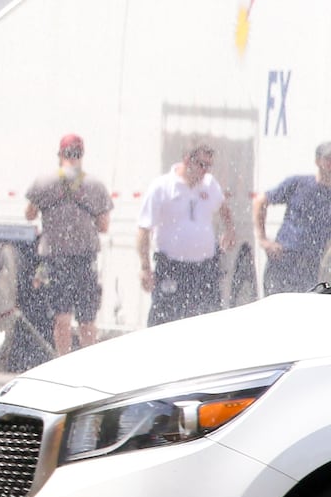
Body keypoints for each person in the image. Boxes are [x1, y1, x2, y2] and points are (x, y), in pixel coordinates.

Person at [24, 134, 112, 356]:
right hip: (84, 258)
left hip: (56, 257)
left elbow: (29, 214)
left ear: (60, 154)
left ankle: (62, 359)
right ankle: (88, 362)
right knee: (87, 319)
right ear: (81, 154)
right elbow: (103, 226)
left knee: (61, 317)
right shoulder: (95, 185)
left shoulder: (44, 181)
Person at [136, 142, 235, 325]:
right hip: (172, 268)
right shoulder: (162, 187)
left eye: (208, 166)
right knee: (165, 322)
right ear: (187, 160)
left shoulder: (209, 185)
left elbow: (223, 209)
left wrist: (229, 230)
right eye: (201, 164)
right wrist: (145, 267)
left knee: (209, 322)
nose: (205, 170)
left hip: (204, 269)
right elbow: (144, 229)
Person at [254, 142, 331, 295]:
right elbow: (260, 201)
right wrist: (263, 240)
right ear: (317, 161)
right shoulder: (299, 184)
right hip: (283, 259)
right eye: (328, 158)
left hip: (311, 264)